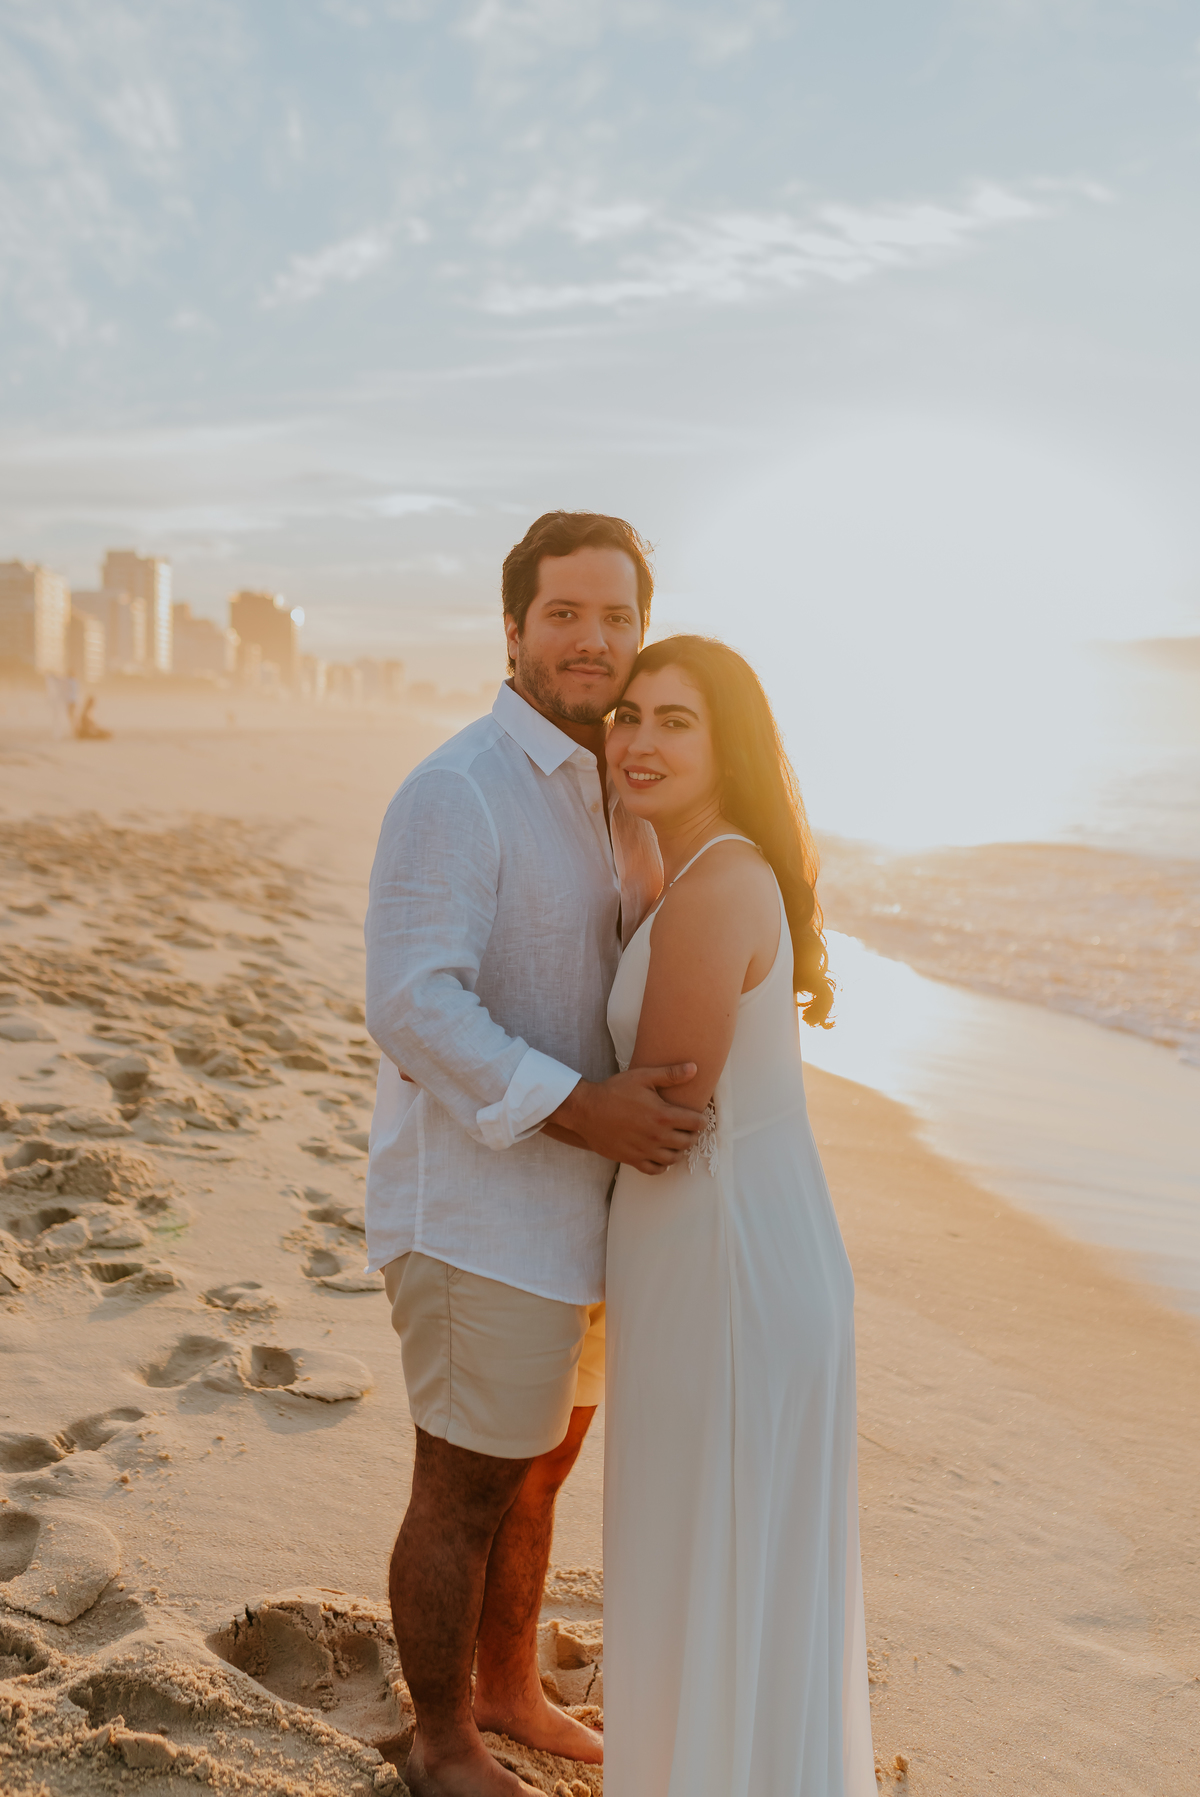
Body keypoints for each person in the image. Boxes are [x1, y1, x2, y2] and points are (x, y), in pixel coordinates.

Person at [363, 513, 705, 1797]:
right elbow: (413, 1002)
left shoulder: (621, 789)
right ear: (512, 630)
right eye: (565, 614)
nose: (592, 640)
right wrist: (586, 1109)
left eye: (617, 617)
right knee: (464, 1484)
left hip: (590, 1217)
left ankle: (508, 1689)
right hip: (479, 1215)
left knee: (542, 1468)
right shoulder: (460, 790)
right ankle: (442, 1742)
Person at [602, 635, 877, 1796]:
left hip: (727, 1275)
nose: (640, 741)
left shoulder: (716, 887)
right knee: (720, 1565)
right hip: (731, 1256)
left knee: (708, 1557)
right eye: (627, 716)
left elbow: (663, 1114)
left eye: (676, 721)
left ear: (732, 747)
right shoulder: (701, 872)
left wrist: (516, 1100)